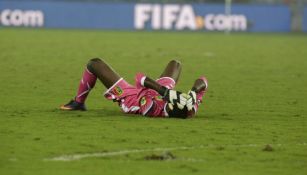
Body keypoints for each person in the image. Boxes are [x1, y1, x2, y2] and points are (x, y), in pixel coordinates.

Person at [60, 58, 208, 118]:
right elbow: (203, 81)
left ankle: (78, 102)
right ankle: (163, 88)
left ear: (169, 105)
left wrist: (164, 92)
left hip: (132, 97)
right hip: (158, 91)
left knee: (94, 64)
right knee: (175, 64)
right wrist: (194, 91)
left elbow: (141, 79)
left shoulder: (151, 108)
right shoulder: (190, 108)